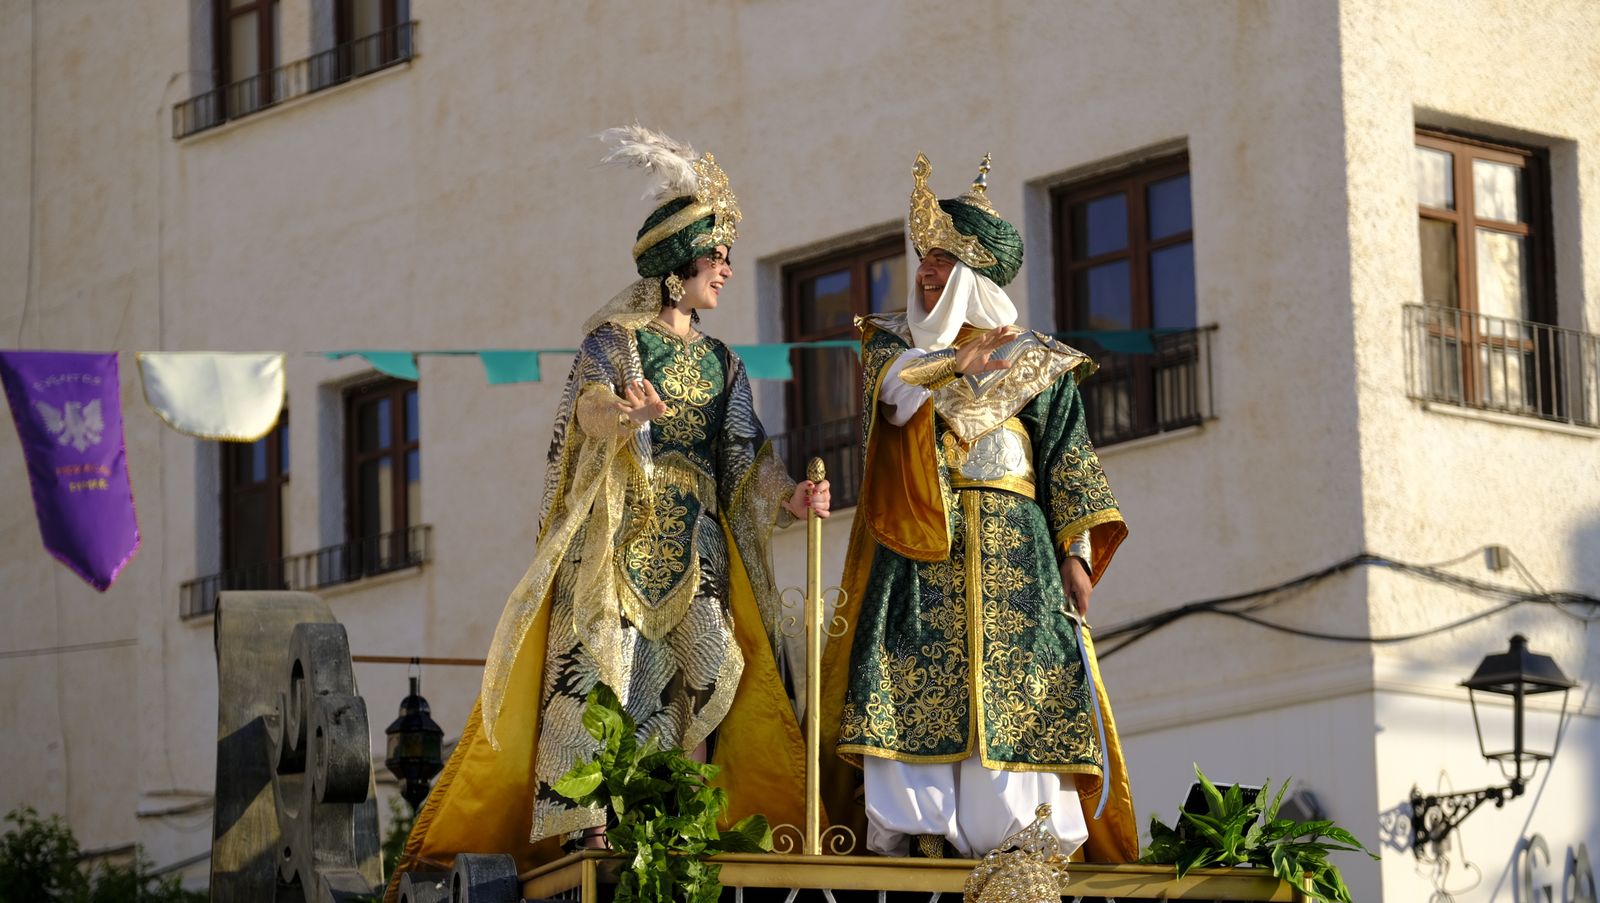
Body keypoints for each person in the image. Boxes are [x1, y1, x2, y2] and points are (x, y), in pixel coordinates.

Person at [389, 126, 827, 898]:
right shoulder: (614, 341)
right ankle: (587, 824)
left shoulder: (723, 363)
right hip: (618, 540)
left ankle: (673, 813)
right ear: (676, 266)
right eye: (715, 255)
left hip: (693, 548)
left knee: (703, 673)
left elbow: (745, 455)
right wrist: (624, 415)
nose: (726, 268)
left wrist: (787, 494)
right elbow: (586, 411)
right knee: (602, 673)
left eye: (726, 255)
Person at [818, 153, 1138, 862]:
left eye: (942, 261)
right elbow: (895, 400)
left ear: (976, 276)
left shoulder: (1038, 361)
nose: (925, 272)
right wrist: (953, 366)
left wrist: (1077, 554)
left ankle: (1024, 844)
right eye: (924, 257)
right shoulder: (893, 348)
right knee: (911, 681)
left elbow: (1070, 461)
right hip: (923, 547)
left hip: (1018, 557)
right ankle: (919, 835)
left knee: (1021, 691)